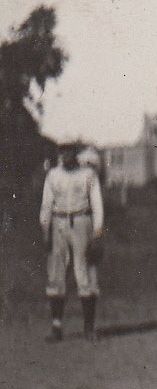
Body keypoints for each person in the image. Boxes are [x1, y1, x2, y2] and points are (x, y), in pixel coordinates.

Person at [39, 143, 104, 341]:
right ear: (58, 152)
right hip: (59, 223)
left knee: (83, 273)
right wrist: (45, 230)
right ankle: (56, 327)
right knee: (56, 274)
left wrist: (97, 232)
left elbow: (97, 204)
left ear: (75, 152)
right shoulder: (53, 175)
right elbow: (46, 205)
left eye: (69, 150)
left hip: (81, 221)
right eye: (61, 150)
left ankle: (89, 328)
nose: (65, 154)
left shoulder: (87, 174)